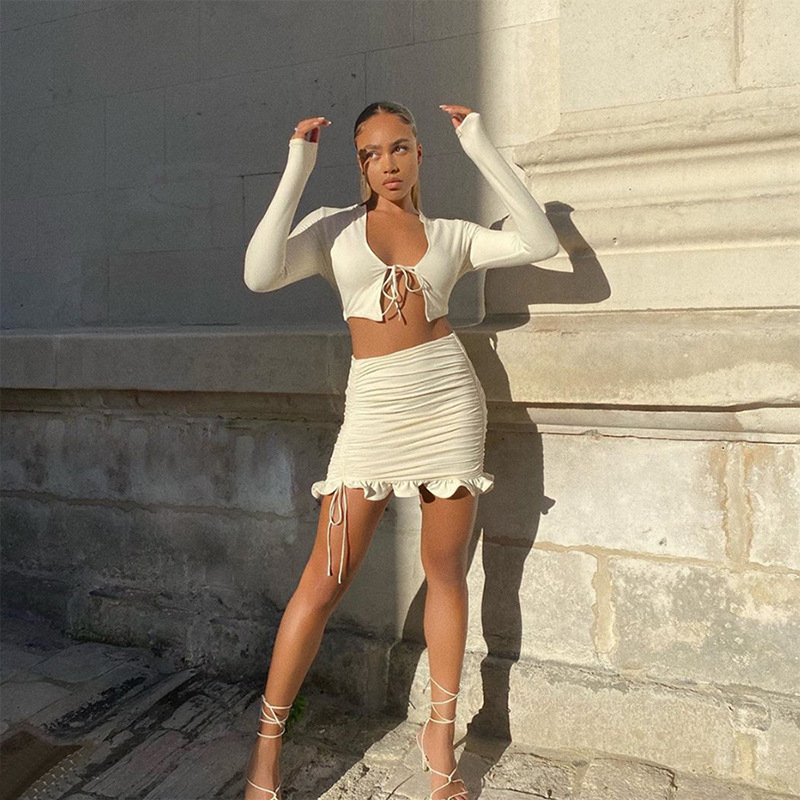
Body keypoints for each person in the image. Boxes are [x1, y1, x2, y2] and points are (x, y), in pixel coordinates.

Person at [241, 101, 560, 800]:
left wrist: (480, 145)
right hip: (375, 409)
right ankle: (266, 746)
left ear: (419, 154)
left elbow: (538, 241)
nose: (386, 163)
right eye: (371, 153)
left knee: (446, 570)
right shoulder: (331, 229)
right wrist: (297, 165)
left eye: (400, 148)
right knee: (324, 580)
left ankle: (440, 736)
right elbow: (259, 275)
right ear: (358, 163)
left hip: (449, 402)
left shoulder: (451, 234)